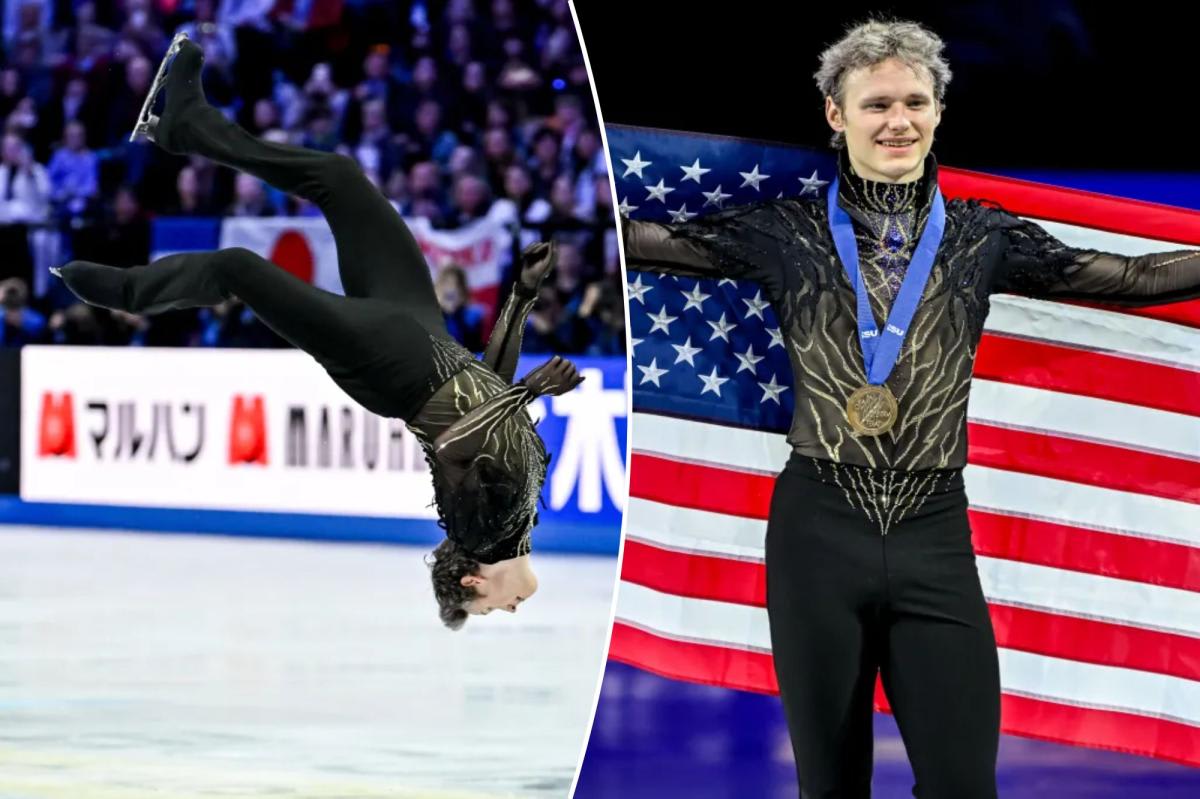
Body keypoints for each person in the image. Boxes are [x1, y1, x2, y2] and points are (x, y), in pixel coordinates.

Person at [621, 17, 1200, 799]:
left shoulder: (980, 235)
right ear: (836, 114)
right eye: (877, 104)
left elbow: (1130, 279)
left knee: (965, 786)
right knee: (831, 788)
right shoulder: (785, 232)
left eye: (916, 102)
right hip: (816, 533)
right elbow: (644, 241)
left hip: (934, 538)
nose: (899, 120)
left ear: (938, 111)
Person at [53, 33, 584, 631]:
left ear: (472, 579)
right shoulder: (518, 520)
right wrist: (521, 294)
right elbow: (490, 386)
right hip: (422, 327)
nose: (506, 609)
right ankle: (187, 126)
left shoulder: (478, 532)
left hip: (392, 367)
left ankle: (124, 293)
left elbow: (455, 440)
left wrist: (530, 391)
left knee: (238, 269)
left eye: (485, 607)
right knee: (340, 177)